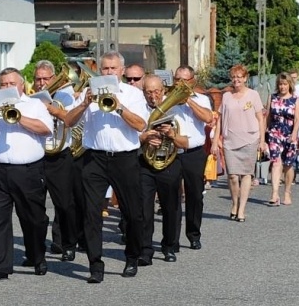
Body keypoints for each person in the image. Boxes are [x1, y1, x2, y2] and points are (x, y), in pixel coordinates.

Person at [51, 51, 149, 282]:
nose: (108, 72)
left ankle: (132, 257)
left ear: (122, 71)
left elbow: (141, 124)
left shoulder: (133, 94)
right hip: (94, 158)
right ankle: (95, 264)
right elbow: (68, 120)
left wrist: (119, 107)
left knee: (133, 213)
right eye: (105, 69)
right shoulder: (89, 92)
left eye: (113, 68)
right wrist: (85, 103)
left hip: (124, 158)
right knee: (91, 213)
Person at [0, 67, 52, 280]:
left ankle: (37, 256)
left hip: (28, 171)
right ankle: (0, 266)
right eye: (3, 84)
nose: (7, 87)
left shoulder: (34, 105)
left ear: (21, 85)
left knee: (34, 218)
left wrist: (19, 117)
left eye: (11, 83)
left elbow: (46, 129)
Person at [32, 60, 84, 261]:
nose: (42, 83)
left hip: (60, 156)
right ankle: (35, 249)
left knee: (64, 204)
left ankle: (67, 244)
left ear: (54, 78)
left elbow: (72, 118)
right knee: (34, 206)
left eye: (46, 78)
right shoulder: (30, 98)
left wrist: (54, 110)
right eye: (38, 79)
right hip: (37, 156)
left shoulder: (66, 96)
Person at [136, 73, 188, 261]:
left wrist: (173, 135)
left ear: (163, 90)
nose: (153, 96)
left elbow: (186, 143)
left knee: (171, 207)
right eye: (148, 92)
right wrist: (145, 137)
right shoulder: (139, 110)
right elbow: (132, 140)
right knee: (144, 209)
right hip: (145, 162)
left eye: (156, 91)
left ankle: (169, 246)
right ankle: (145, 250)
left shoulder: (177, 109)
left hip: (170, 163)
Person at [170, 65, 213, 251]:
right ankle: (172, 239)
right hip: (172, 153)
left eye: (184, 80)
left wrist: (188, 101)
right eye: (177, 79)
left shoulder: (202, 98)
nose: (179, 83)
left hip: (194, 153)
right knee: (172, 197)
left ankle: (193, 235)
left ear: (192, 81)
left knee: (195, 195)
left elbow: (208, 117)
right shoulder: (167, 98)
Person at [217, 64, 266, 221]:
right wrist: (215, 139)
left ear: (245, 78)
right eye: (234, 77)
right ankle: (234, 203)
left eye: (240, 77)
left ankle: (241, 209)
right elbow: (220, 118)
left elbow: (261, 118)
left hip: (250, 139)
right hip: (230, 140)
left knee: (246, 174)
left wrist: (262, 141)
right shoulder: (226, 96)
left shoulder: (253, 95)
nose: (236, 80)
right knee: (232, 175)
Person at [265, 74, 299, 206]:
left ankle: (287, 192)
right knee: (276, 162)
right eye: (280, 84)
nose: (282, 86)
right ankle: (274, 193)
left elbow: (297, 119)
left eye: (285, 84)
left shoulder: (295, 99)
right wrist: (264, 135)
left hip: (289, 133)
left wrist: (294, 134)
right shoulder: (272, 98)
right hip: (274, 132)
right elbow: (267, 117)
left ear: (289, 85)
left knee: (288, 165)